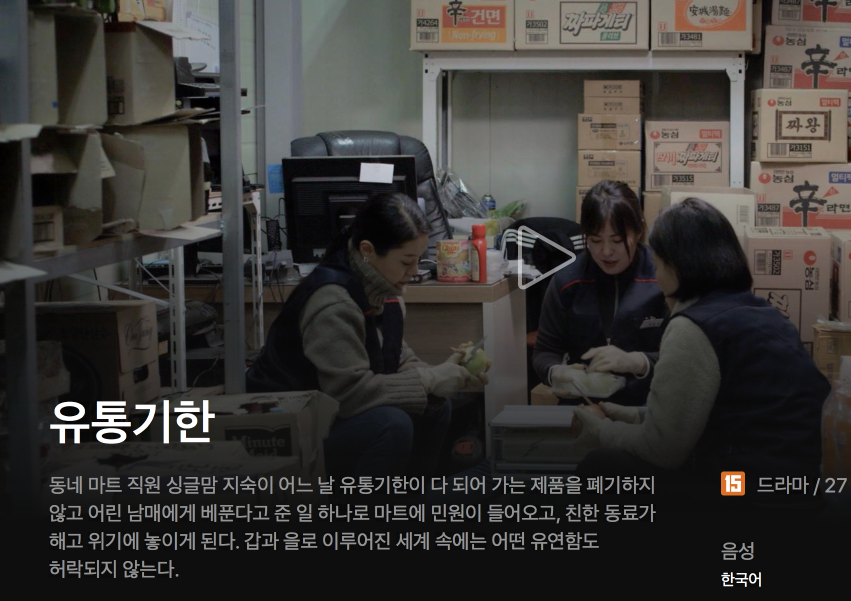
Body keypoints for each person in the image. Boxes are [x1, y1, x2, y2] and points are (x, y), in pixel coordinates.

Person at [571, 198, 830, 489]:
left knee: (601, 467)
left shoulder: (693, 327)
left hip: (747, 486)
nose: (656, 278)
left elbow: (662, 450)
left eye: (657, 265)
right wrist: (625, 415)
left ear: (677, 267)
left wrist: (602, 430)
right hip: (802, 479)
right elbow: (701, 413)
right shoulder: (762, 313)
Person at [246, 192, 488, 477]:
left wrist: (447, 375)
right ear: (367, 250)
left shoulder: (386, 294)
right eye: (406, 261)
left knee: (437, 407)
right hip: (287, 428)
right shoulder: (333, 304)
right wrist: (429, 380)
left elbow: (398, 359)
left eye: (418, 260)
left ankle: (412, 498)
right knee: (391, 423)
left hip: (331, 416)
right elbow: (349, 395)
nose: (414, 271)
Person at [533, 180, 669, 406]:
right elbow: (544, 352)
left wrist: (638, 362)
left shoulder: (662, 277)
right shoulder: (567, 280)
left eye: (617, 240)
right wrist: (554, 372)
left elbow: (684, 358)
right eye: (595, 240)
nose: (606, 252)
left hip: (647, 412)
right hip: (582, 409)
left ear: (638, 230)